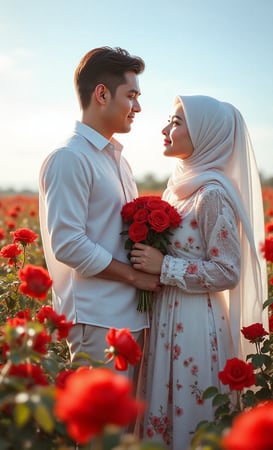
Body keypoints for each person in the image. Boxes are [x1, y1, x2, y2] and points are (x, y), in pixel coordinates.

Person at [130, 95, 268, 450]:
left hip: (193, 323)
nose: (165, 129)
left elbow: (227, 271)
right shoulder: (179, 191)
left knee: (190, 417)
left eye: (176, 123)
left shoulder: (211, 195)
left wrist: (165, 266)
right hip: (166, 317)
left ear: (206, 135)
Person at [38, 47, 161, 378]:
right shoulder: (70, 158)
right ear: (102, 94)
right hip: (97, 321)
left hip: (129, 316)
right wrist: (135, 276)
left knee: (127, 428)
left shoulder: (117, 160)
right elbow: (68, 243)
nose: (138, 107)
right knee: (103, 427)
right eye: (131, 95)